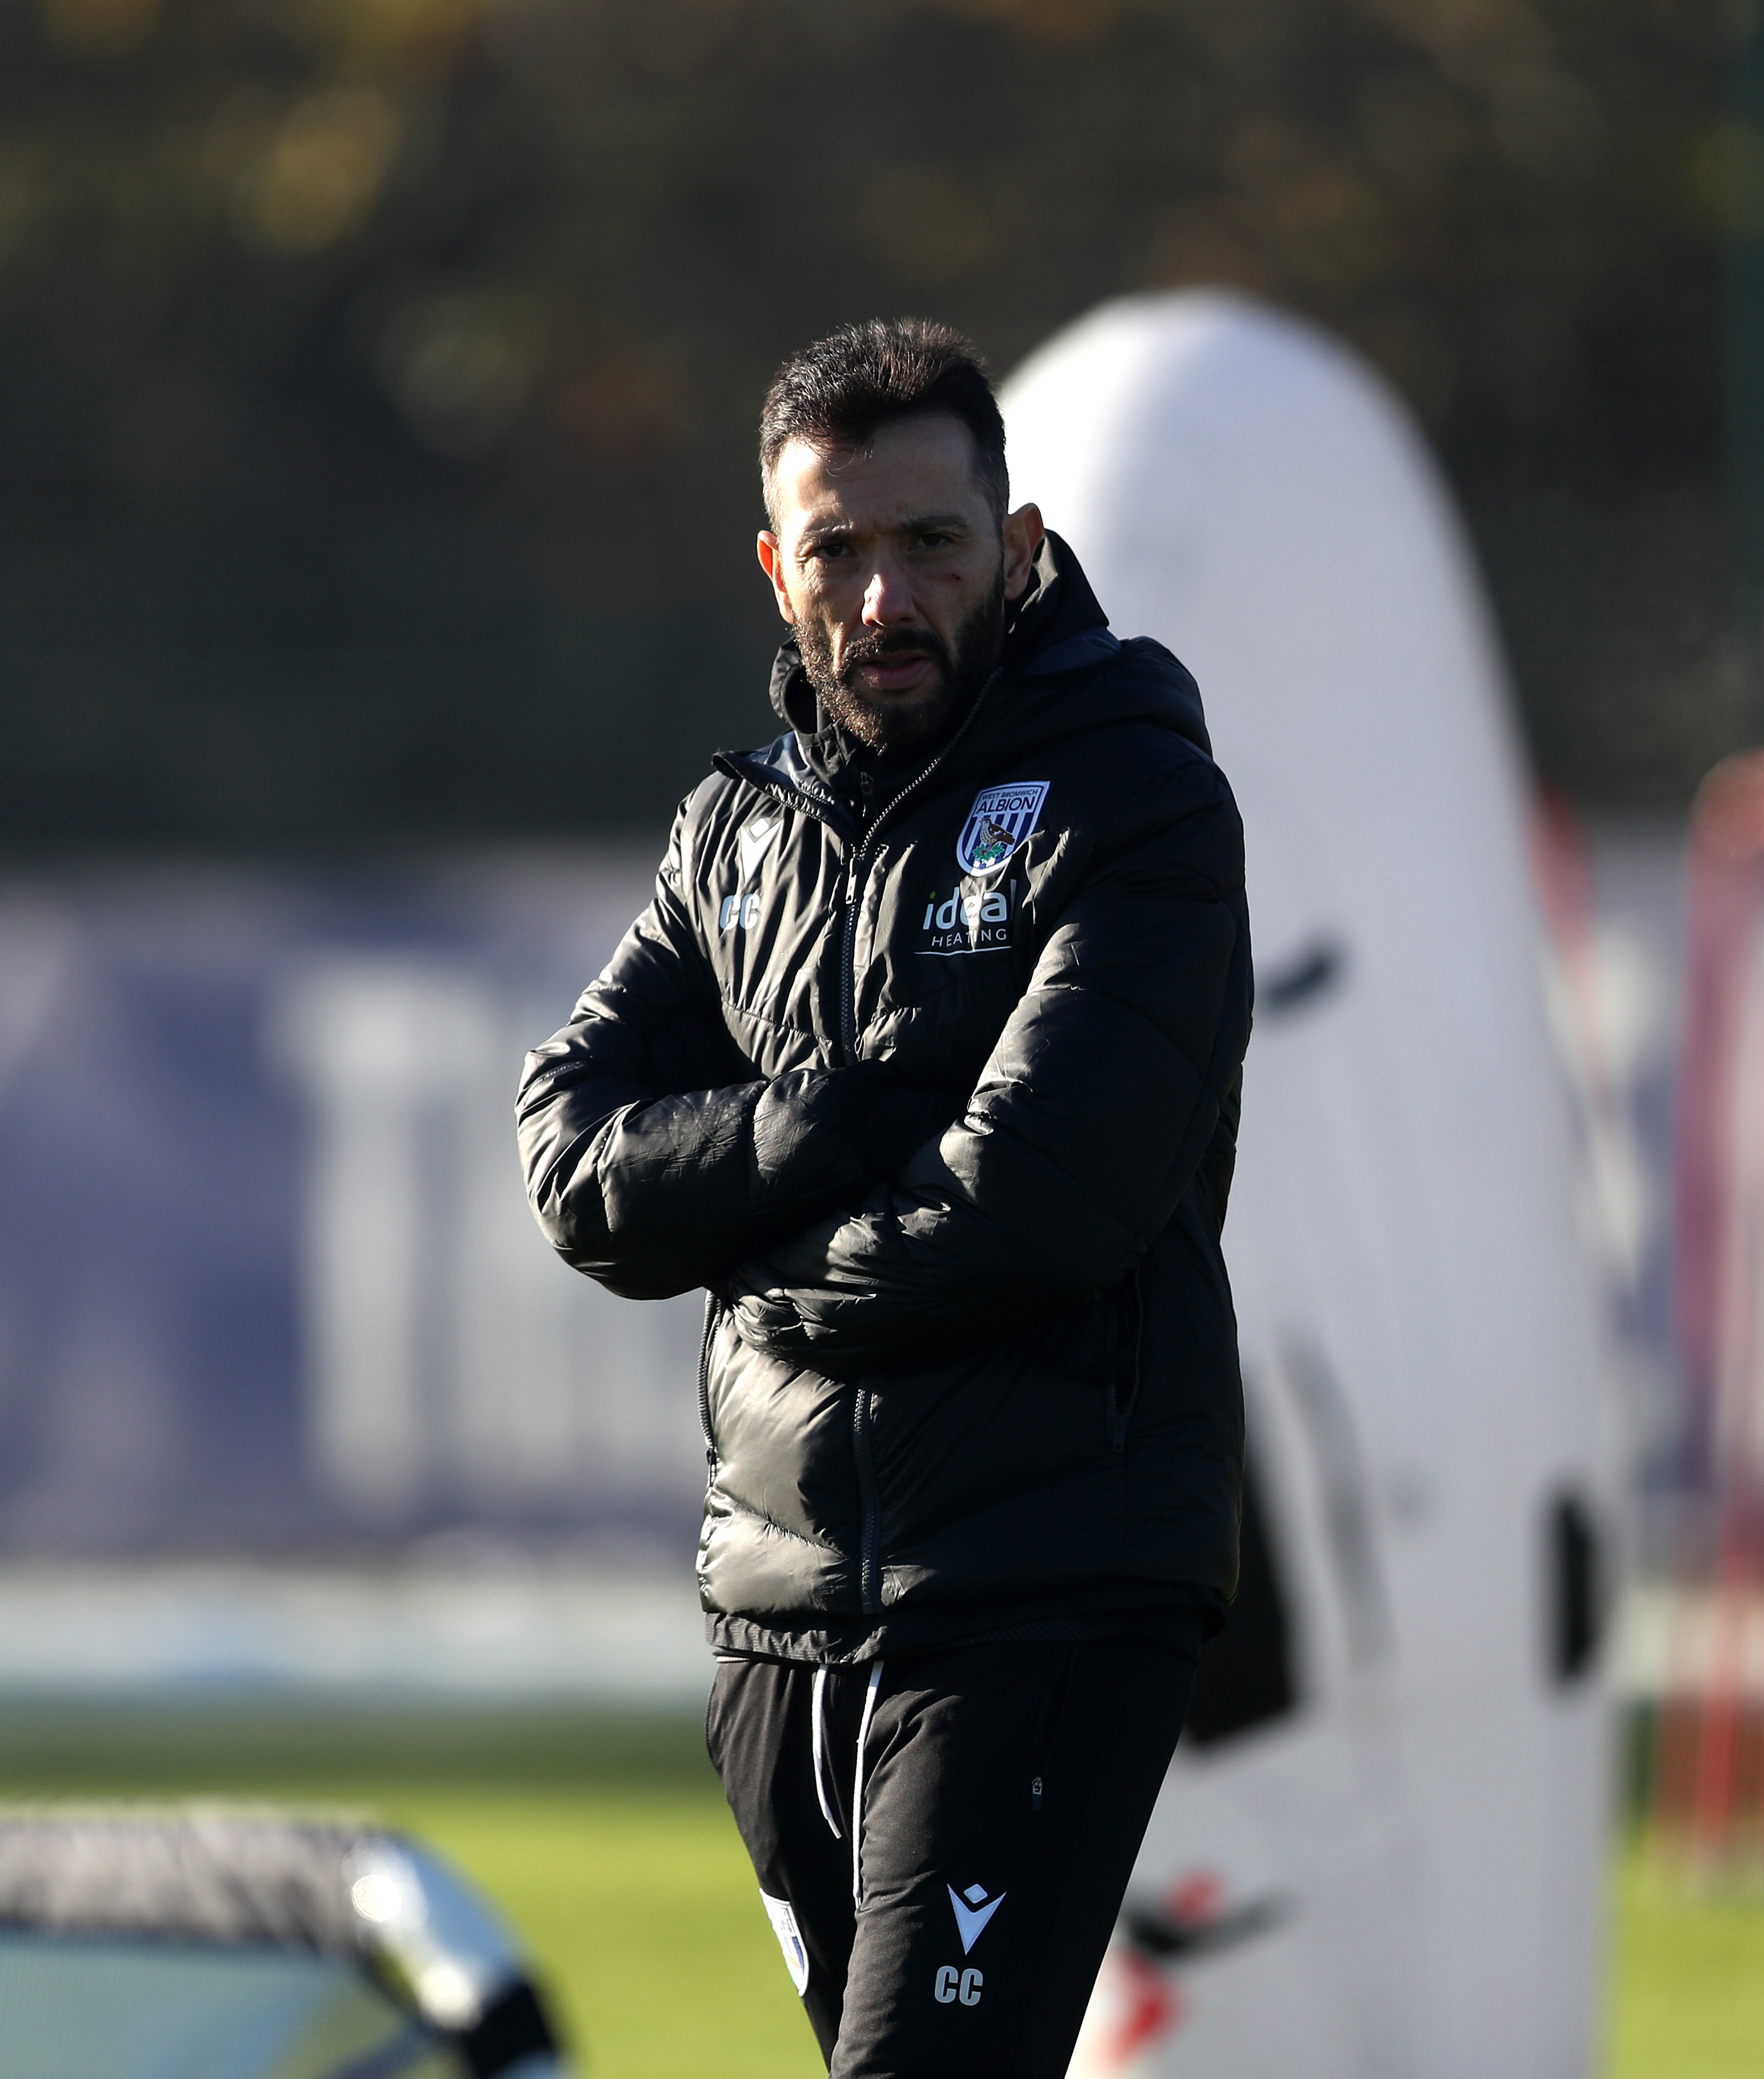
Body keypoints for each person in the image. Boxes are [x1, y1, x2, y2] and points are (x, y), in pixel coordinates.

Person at [517, 317, 1251, 2078]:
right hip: (774, 1610)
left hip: (1042, 1592)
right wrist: (829, 1119)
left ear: (1016, 545)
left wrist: (748, 1267)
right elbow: (572, 1156)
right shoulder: (736, 831)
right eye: (837, 550)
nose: (882, 594)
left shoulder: (1132, 794)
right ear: (777, 571)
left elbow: (1037, 1202)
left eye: (928, 542)